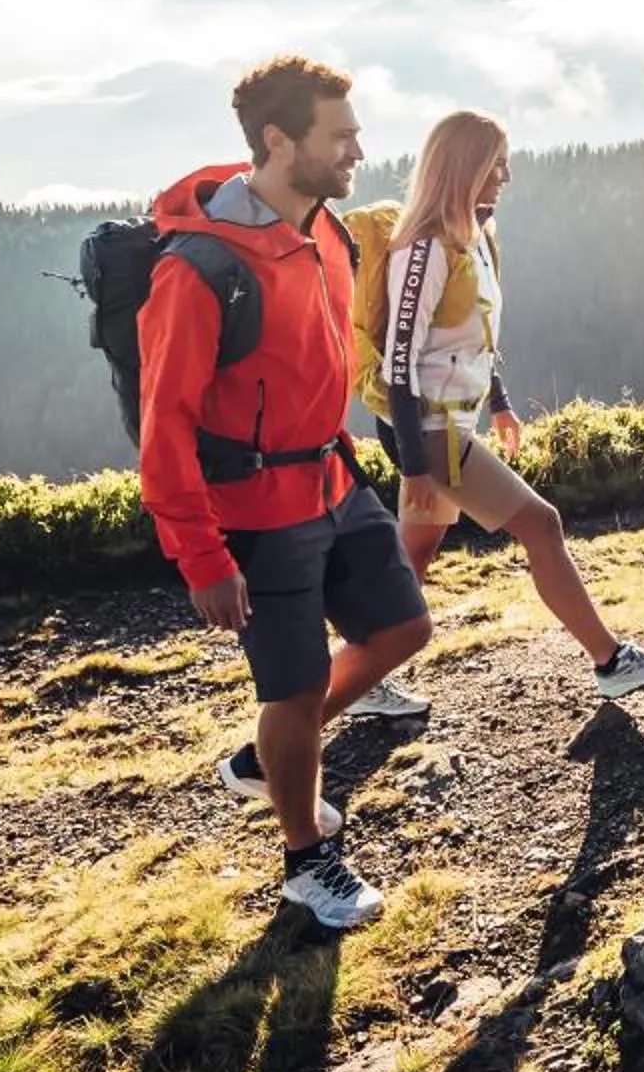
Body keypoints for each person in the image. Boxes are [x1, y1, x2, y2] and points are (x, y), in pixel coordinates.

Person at [138, 55, 428, 931]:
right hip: (259, 517)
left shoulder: (325, 230)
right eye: (338, 137)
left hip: (334, 480)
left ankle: (271, 759)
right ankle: (308, 859)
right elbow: (164, 432)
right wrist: (202, 558)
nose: (356, 151)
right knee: (293, 691)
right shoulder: (196, 272)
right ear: (277, 140)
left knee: (404, 628)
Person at [378, 109, 644, 700]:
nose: (506, 175)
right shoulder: (422, 248)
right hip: (431, 429)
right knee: (541, 525)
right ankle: (610, 662)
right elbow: (400, 358)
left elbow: (476, 334)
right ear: (464, 166)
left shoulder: (477, 236)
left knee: (410, 558)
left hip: (455, 419)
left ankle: (364, 676)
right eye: (496, 163)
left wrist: (500, 403)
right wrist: (417, 467)